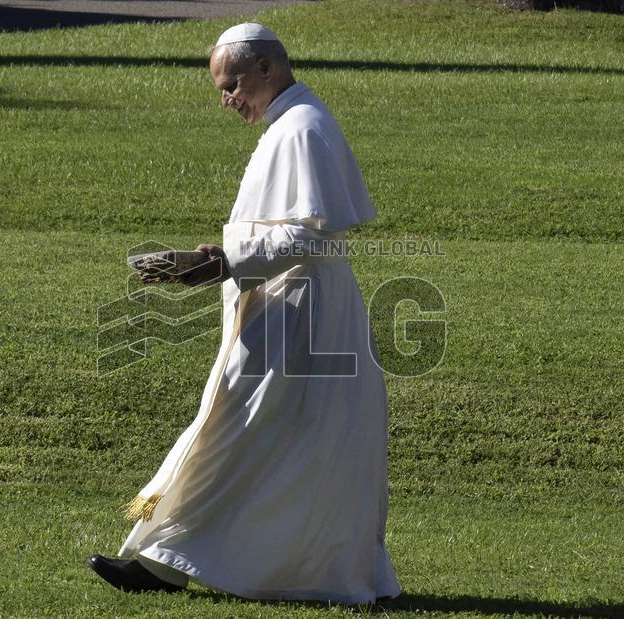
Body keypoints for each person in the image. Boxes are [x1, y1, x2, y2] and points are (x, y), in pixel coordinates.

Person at [87, 22, 400, 605]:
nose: (228, 99)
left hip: (300, 313)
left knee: (240, 428)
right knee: (261, 431)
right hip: (283, 307)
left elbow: (309, 237)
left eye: (231, 85)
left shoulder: (303, 127)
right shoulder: (289, 124)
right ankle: (168, 560)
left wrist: (226, 262)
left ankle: (165, 563)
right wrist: (215, 261)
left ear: (265, 69)